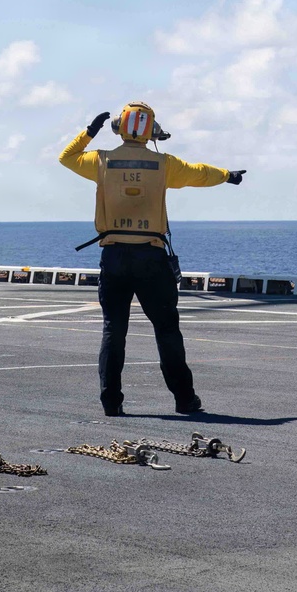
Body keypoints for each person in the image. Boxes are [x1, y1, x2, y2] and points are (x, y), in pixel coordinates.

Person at [59, 101, 245, 417]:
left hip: (114, 256)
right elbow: (199, 173)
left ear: (119, 126)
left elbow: (67, 158)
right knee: (167, 330)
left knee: (113, 330)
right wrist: (227, 175)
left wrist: (89, 132)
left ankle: (111, 402)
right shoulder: (164, 164)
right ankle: (185, 400)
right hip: (151, 258)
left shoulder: (101, 161)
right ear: (151, 131)